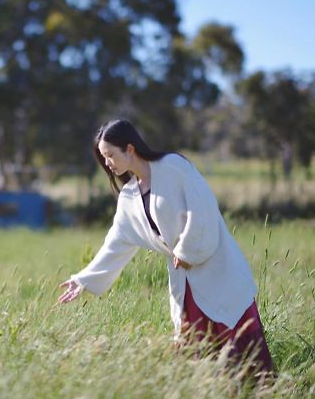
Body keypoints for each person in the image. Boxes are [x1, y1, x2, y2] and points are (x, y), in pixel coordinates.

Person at [58, 119, 273, 375]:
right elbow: (115, 243)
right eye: (103, 157)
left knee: (240, 348)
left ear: (130, 148)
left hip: (216, 267)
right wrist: (83, 280)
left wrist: (186, 251)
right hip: (184, 283)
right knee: (197, 353)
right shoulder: (129, 197)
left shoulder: (173, 167)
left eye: (110, 155)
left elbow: (203, 209)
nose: (107, 163)